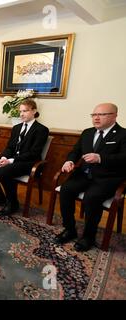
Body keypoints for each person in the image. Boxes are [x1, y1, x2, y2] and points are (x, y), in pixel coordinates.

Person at [54, 103, 126, 252]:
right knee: (66, 189)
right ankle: (70, 229)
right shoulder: (87, 133)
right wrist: (69, 161)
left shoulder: (123, 134)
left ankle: (88, 237)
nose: (96, 118)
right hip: (84, 174)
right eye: (94, 115)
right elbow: (75, 151)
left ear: (114, 116)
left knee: (91, 198)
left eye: (102, 114)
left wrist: (100, 158)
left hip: (107, 178)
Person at [0, 99, 49, 216]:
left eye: (25, 111)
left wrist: (10, 160)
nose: (21, 114)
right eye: (20, 111)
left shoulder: (41, 130)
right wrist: (3, 158)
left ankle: (13, 203)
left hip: (28, 163)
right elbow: (10, 148)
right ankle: (0, 197)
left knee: (2, 172)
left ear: (34, 111)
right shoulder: (16, 128)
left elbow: (34, 153)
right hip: (11, 159)